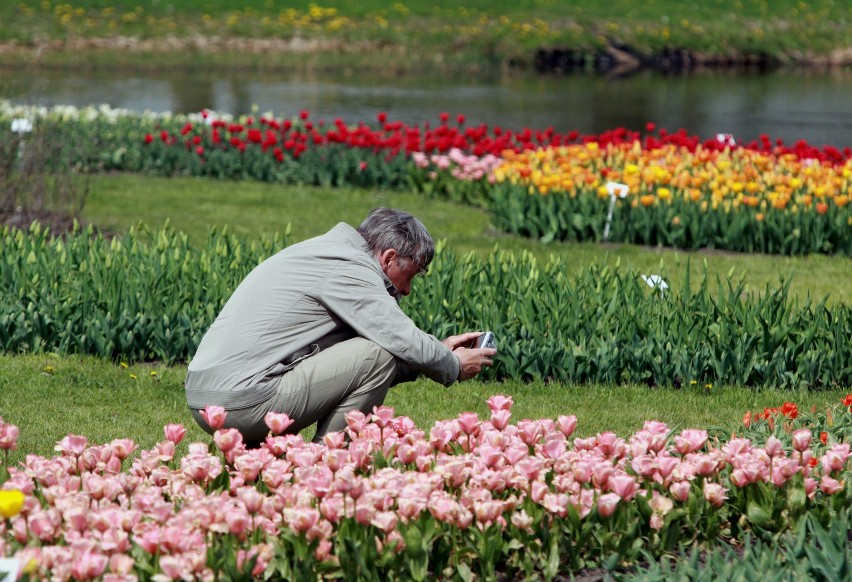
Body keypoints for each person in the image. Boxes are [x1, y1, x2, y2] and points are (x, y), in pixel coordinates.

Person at [185, 207, 496, 443]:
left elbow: (373, 349)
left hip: (212, 396)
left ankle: (263, 470)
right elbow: (394, 339)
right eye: (410, 275)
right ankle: (326, 471)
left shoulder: (326, 252)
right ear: (388, 257)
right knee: (378, 355)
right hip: (239, 403)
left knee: (378, 352)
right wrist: (453, 365)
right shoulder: (349, 269)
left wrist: (437, 351)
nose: (406, 290)